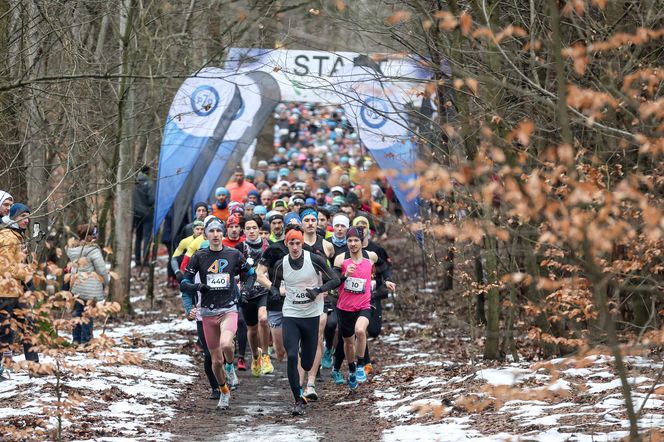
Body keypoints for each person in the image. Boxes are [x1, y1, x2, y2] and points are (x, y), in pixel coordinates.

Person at [180, 217, 256, 410]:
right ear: (205, 234)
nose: (215, 234)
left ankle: (230, 368)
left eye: (218, 231)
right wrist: (198, 286)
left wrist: (245, 290)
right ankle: (224, 392)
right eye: (211, 231)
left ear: (223, 234)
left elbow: (251, 274)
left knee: (226, 344)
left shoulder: (233, 254)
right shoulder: (199, 256)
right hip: (207, 312)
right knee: (215, 361)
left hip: (228, 308)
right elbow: (184, 283)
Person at [267, 227, 339, 415]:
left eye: (298, 243)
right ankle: (297, 399)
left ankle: (306, 366)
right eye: (291, 243)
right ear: (286, 244)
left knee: (306, 363)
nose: (295, 247)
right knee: (292, 356)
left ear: (302, 244)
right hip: (291, 314)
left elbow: (336, 279)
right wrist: (275, 293)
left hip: (312, 315)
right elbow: (274, 286)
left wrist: (317, 290)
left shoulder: (314, 260)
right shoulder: (280, 264)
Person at [332, 227, 379, 390]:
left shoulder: (371, 256)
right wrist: (345, 275)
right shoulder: (340, 259)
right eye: (349, 241)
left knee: (360, 331)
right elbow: (333, 281)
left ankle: (360, 365)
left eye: (356, 241)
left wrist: (386, 281)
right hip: (344, 307)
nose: (352, 244)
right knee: (348, 343)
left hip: (364, 304)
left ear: (362, 241)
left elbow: (380, 273)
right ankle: (351, 369)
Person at [299, 206, 335, 400]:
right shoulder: (295, 243)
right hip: (298, 297)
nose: (311, 223)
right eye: (307, 220)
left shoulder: (327, 245)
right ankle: (299, 381)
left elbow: (332, 270)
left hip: (321, 296)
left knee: (318, 334)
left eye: (314, 220)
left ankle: (311, 383)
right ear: (302, 224)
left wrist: (328, 286)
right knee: (301, 342)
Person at [0, 203, 39, 376]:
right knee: (4, 332)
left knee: (28, 326)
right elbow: (6, 268)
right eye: (23, 216)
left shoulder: (17, 236)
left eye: (28, 216)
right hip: (5, 292)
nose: (27, 220)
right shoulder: (8, 237)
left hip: (16, 292)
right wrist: (26, 272)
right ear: (14, 217)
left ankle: (34, 366)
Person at [181, 239, 221, 400]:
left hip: (224, 313)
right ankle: (215, 387)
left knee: (224, 348)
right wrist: (189, 309)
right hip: (202, 317)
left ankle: (227, 373)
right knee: (209, 353)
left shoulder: (223, 268)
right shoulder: (193, 273)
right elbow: (185, 291)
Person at [238, 215, 273, 377]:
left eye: (254, 228)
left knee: (264, 319)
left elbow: (276, 267)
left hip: (265, 290)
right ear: (243, 231)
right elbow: (235, 270)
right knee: (251, 329)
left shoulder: (269, 246)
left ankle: (265, 355)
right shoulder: (240, 247)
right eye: (248, 229)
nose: (251, 231)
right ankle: (255, 356)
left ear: (259, 229)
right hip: (247, 293)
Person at [66, 224, 109, 344]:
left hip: (76, 285)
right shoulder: (93, 250)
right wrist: (107, 281)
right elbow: (101, 270)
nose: (96, 237)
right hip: (91, 287)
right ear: (89, 237)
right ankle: (86, 340)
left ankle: (76, 339)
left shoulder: (73, 250)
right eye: (94, 234)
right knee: (88, 313)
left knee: (78, 312)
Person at [132, 166, 155, 266]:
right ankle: (145, 261)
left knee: (138, 237)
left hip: (136, 213)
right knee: (146, 237)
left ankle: (137, 260)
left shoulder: (134, 183)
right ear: (148, 172)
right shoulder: (149, 183)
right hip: (147, 213)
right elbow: (151, 200)